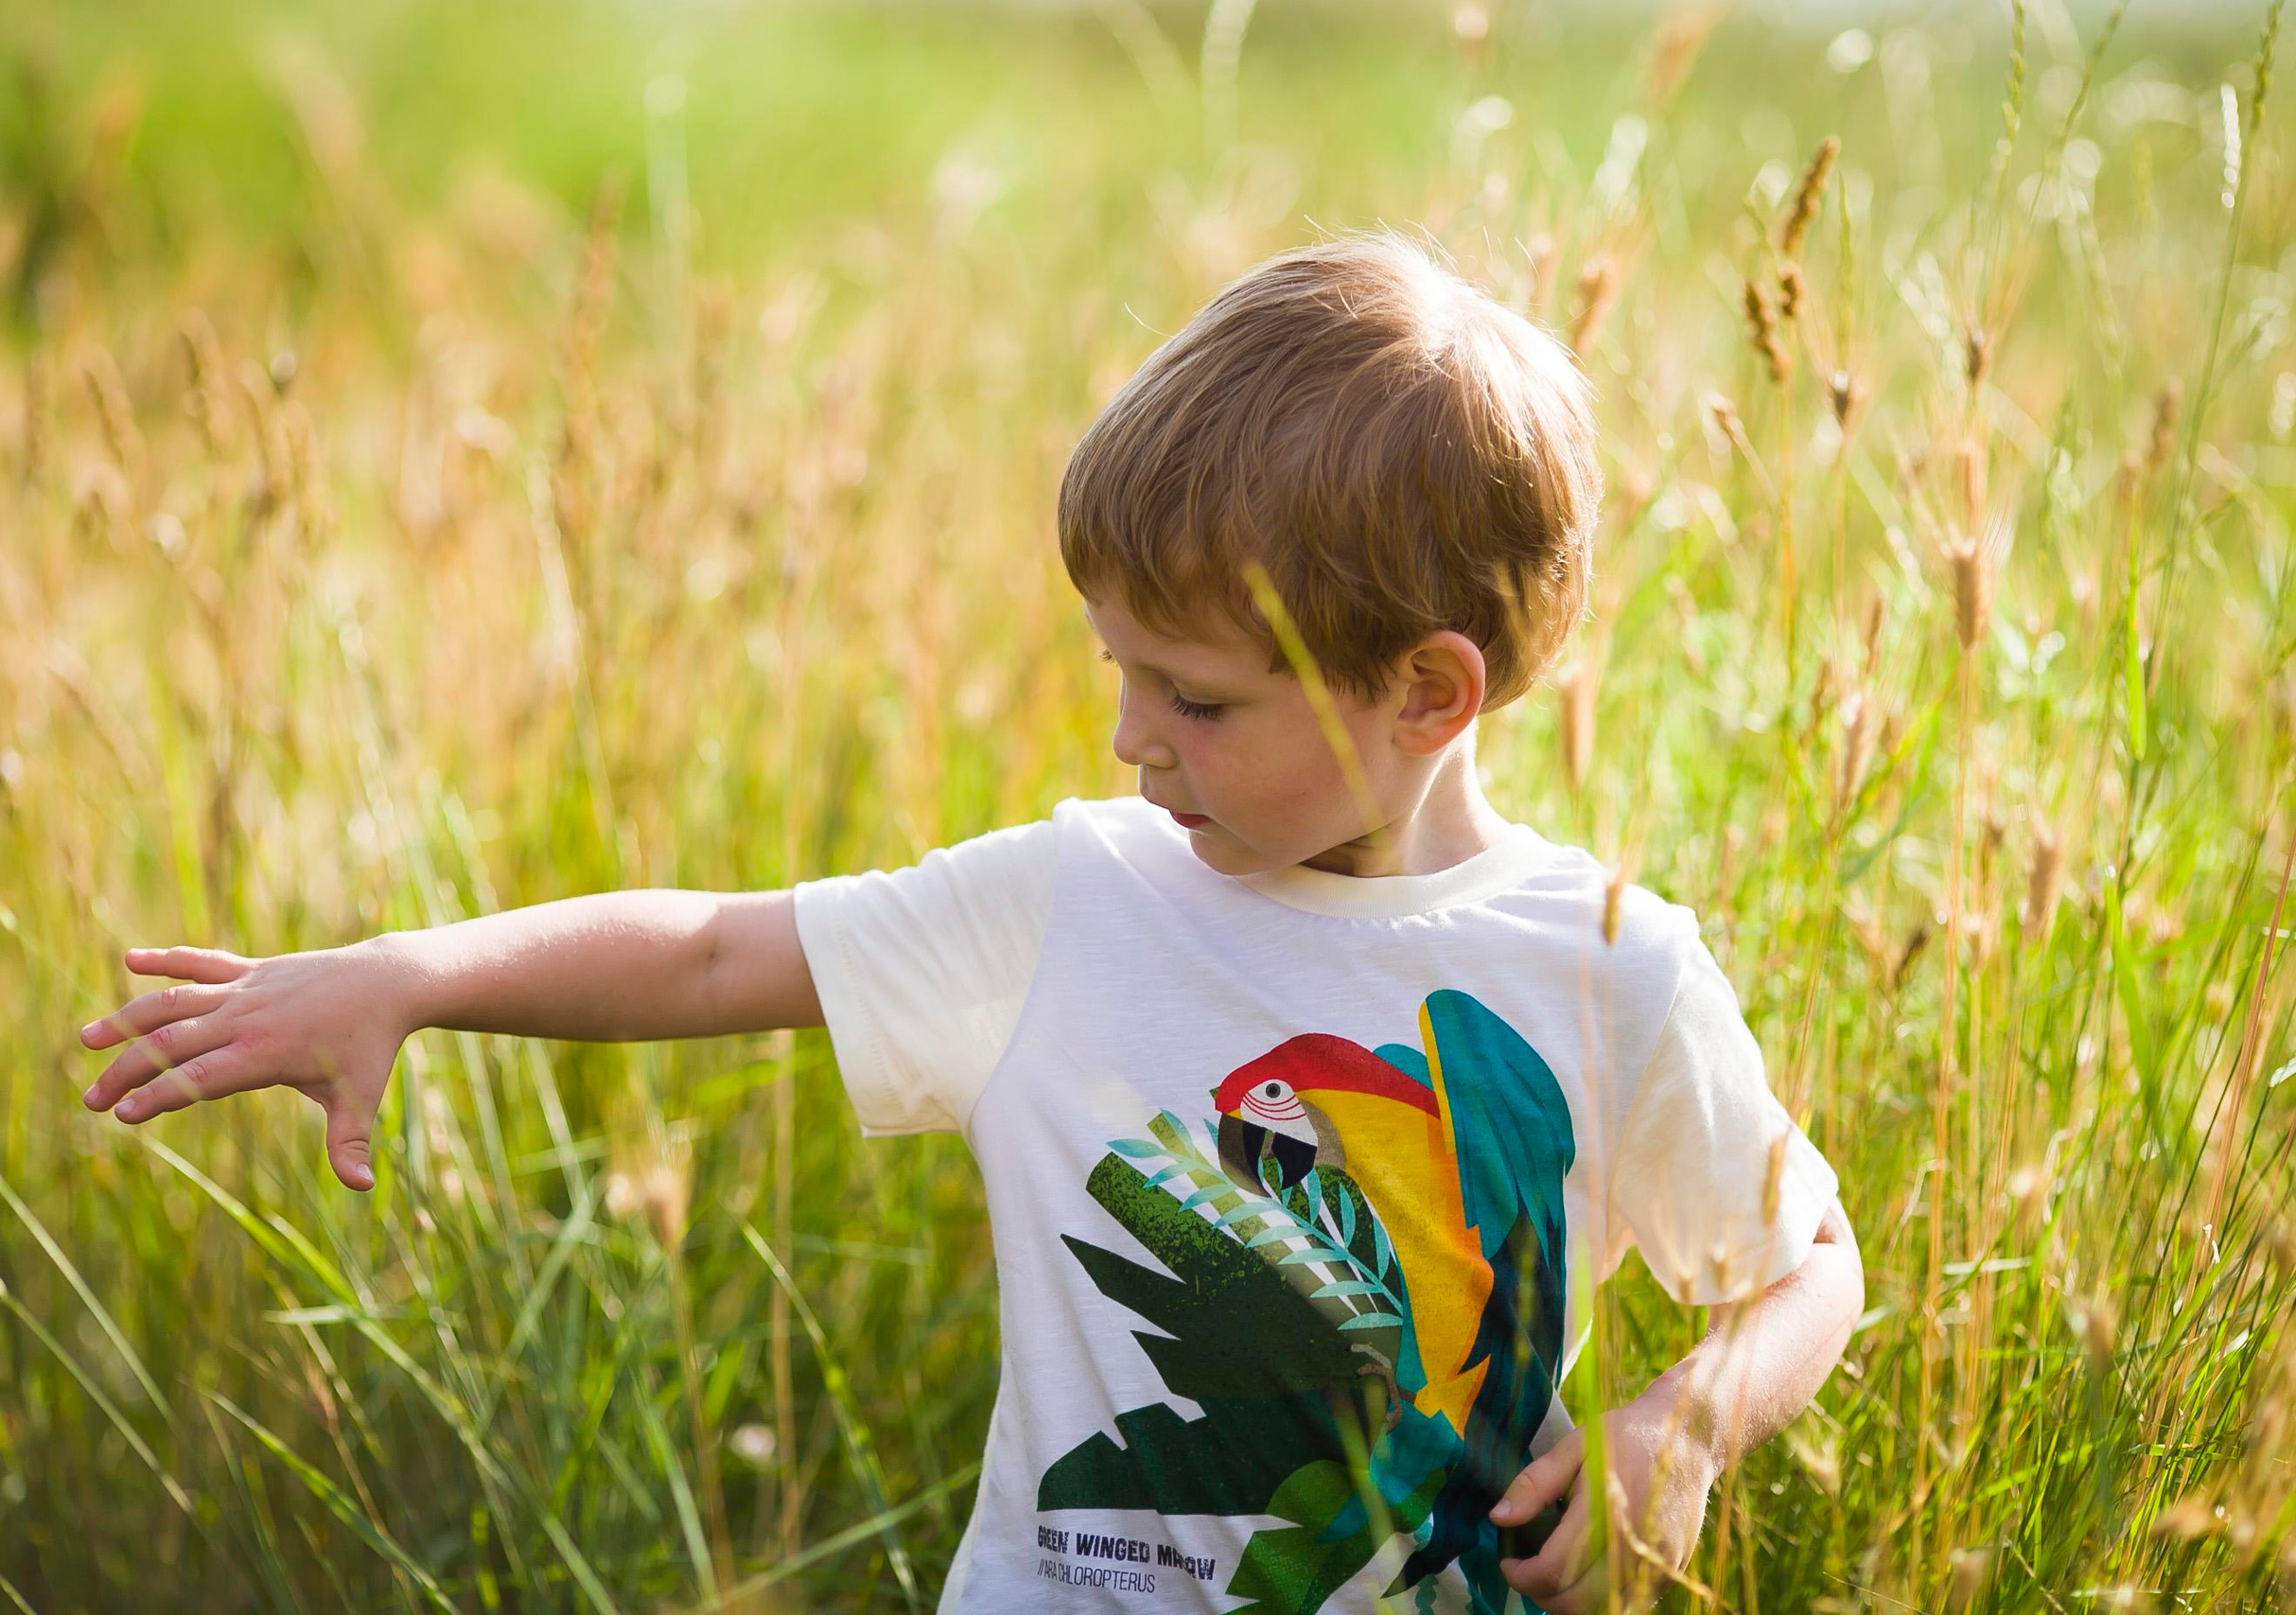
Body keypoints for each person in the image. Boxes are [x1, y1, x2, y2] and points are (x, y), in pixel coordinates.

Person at [76, 226, 1864, 1614]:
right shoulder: (1070, 901)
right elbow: (716, 948)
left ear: (1425, 692)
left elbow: (1806, 1267)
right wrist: (413, 974)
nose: (1126, 738)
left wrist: (1679, 1431)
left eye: (1199, 700)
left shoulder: (1608, 967)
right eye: (1117, 672)